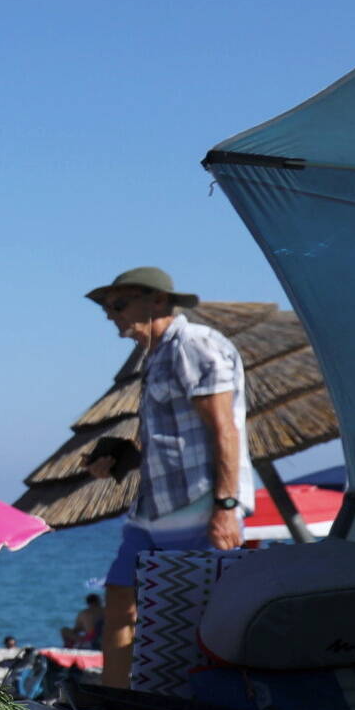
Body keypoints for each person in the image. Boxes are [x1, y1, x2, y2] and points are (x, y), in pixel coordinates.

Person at [88, 267, 247, 688]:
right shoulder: (156, 355)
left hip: (197, 503)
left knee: (201, 613)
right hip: (154, 505)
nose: (110, 315)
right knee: (120, 597)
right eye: (106, 308)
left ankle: (205, 703)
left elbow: (223, 429)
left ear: (158, 301)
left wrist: (226, 507)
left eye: (118, 304)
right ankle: (114, 699)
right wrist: (121, 456)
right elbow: (171, 438)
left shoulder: (194, 345)